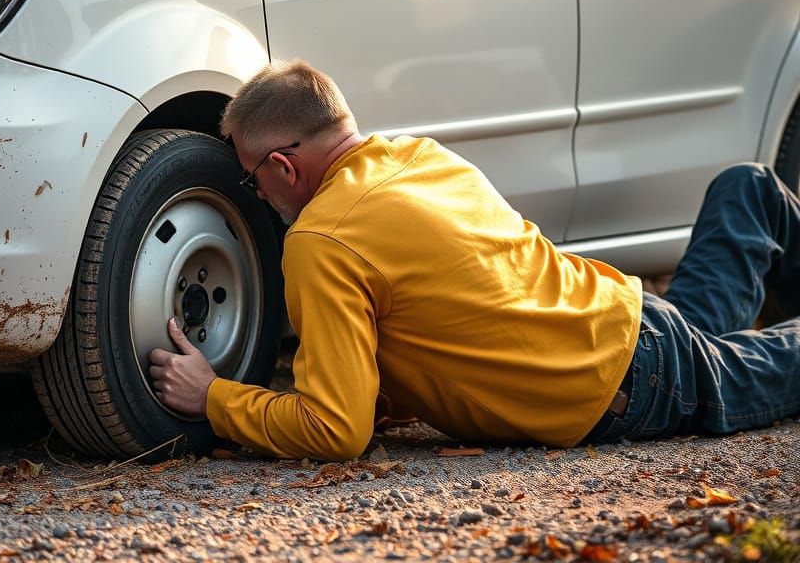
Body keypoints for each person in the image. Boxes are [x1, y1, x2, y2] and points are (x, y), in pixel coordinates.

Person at [148, 60, 800, 460]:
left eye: (252, 179)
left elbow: (336, 430)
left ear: (284, 165)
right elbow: (460, 302)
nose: (256, 194)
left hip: (625, 388)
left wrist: (216, 398)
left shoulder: (320, 241)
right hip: (629, 320)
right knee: (747, 186)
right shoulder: (420, 156)